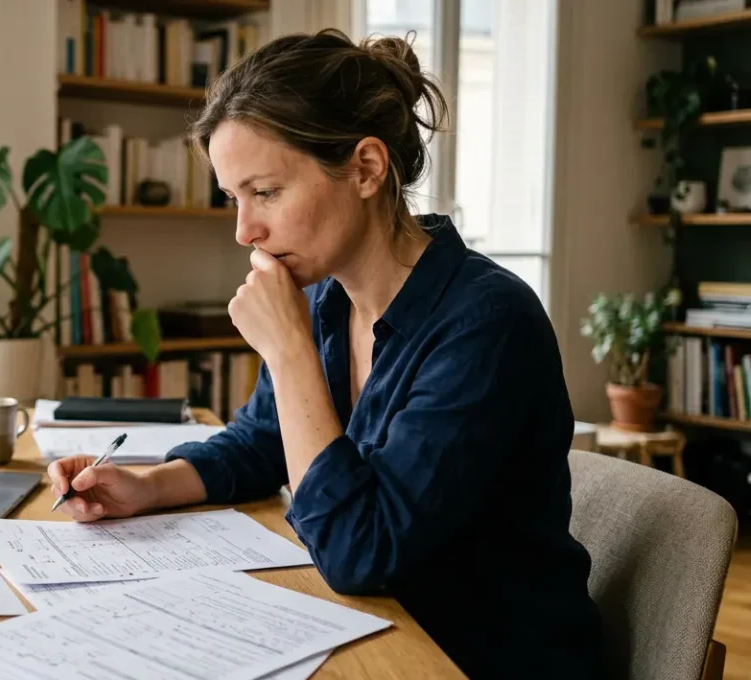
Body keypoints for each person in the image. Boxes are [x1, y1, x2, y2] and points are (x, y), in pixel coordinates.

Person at [46, 29, 602, 680]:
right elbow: (262, 442)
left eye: (265, 192)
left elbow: (359, 551)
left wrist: (289, 353)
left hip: (475, 658)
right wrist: (146, 487)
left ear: (365, 168)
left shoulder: (487, 322)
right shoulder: (323, 298)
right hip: (377, 633)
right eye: (234, 198)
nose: (244, 231)